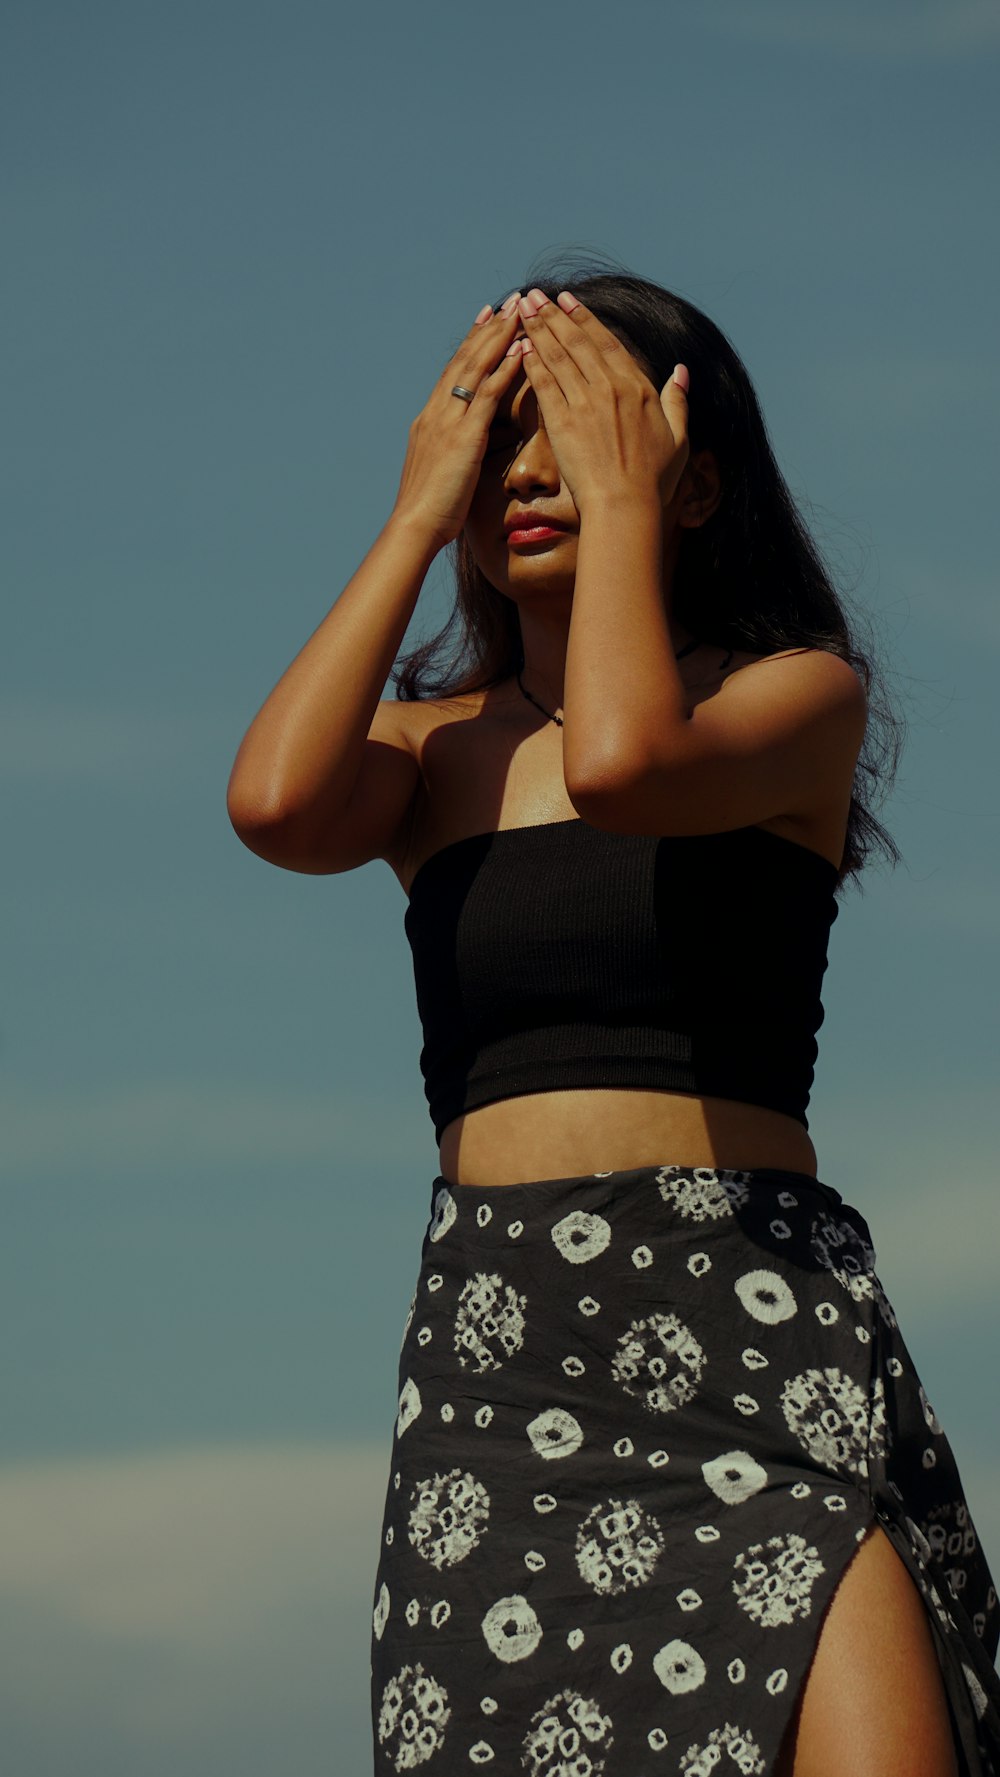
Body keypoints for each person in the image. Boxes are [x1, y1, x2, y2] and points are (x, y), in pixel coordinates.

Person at [227, 264, 1000, 1776]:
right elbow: (273, 803)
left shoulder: (790, 703)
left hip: (753, 1327)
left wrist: (624, 506)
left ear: (692, 479)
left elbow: (627, 767)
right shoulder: (426, 750)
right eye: (498, 437)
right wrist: (409, 508)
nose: (525, 468)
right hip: (504, 1359)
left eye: (569, 430)